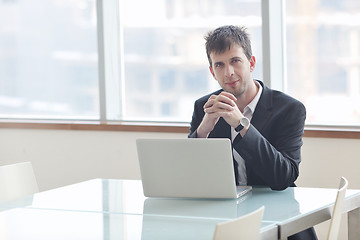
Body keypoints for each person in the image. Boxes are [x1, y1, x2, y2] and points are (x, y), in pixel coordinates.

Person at [188, 25, 317, 240]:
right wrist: (204, 129)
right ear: (212, 71)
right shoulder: (204, 107)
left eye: (235, 61)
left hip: (278, 220)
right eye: (219, 65)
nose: (228, 72)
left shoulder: (290, 109)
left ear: (251, 63)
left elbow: (284, 177)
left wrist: (242, 124)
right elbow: (188, 176)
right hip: (224, 219)